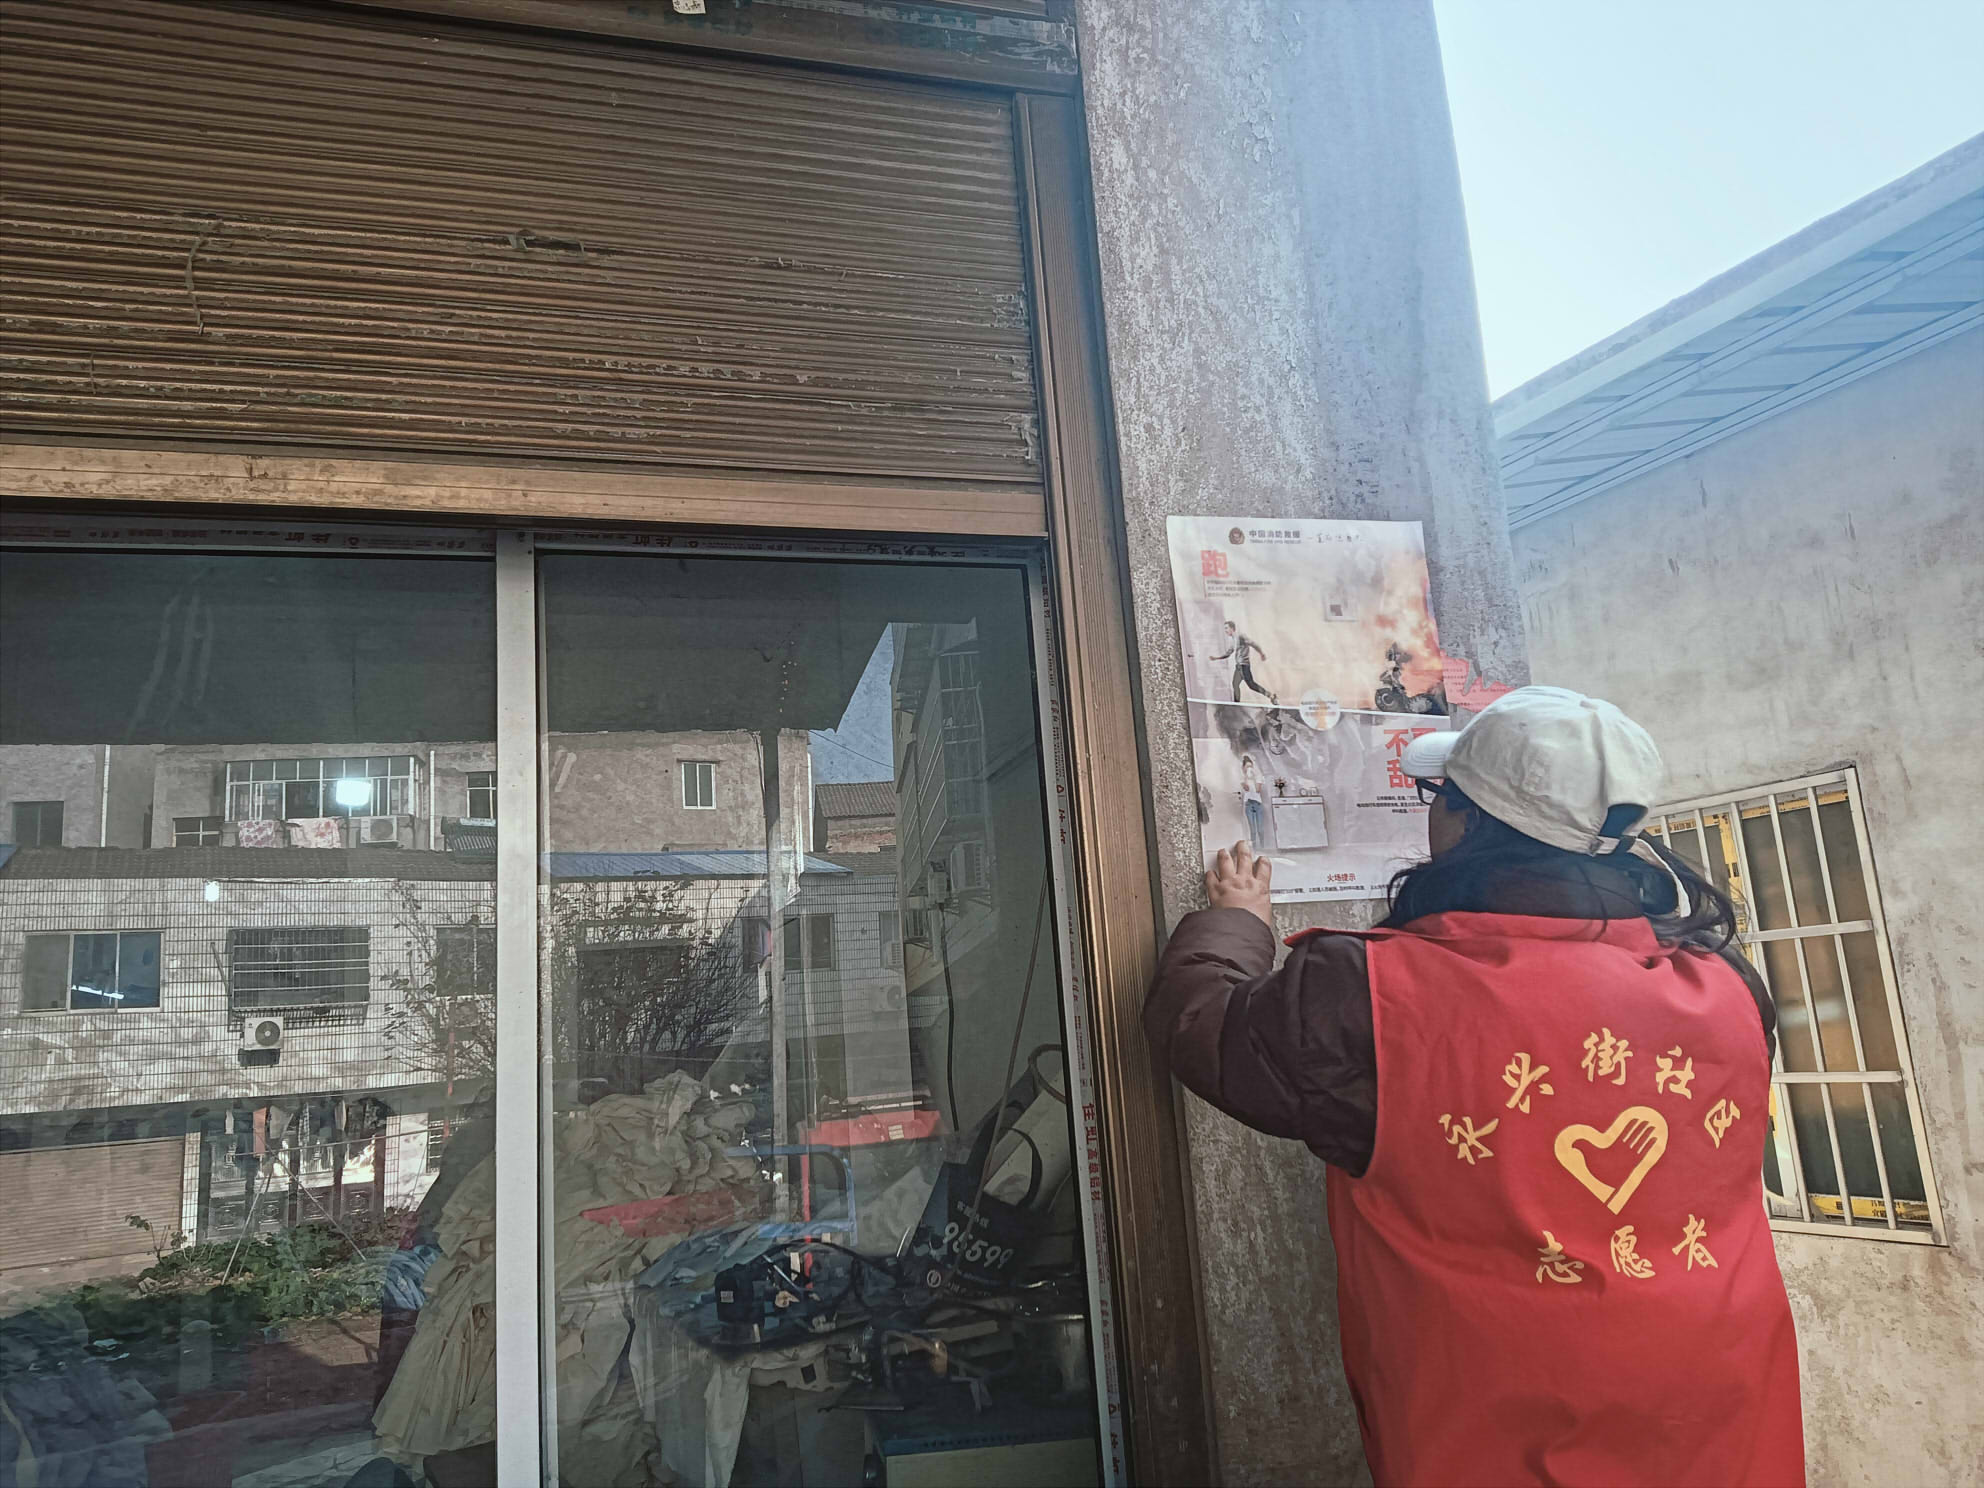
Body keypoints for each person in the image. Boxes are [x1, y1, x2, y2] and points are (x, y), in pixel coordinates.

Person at [1145, 686, 1804, 1487]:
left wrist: (1239, 923)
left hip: (1496, 1445)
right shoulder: (1727, 983)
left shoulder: (1367, 993)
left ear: (1464, 822)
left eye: (1440, 794)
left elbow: (1202, 1028)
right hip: (1723, 1421)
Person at [1212, 620, 1275, 704]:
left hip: (1243, 665)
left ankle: (1270, 695)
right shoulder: (1233, 640)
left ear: (1232, 628)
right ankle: (1236, 703)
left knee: (1251, 685)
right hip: (1239, 666)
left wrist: (1261, 653)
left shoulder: (1240, 636)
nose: (1225, 630)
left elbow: (1253, 644)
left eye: (1226, 628)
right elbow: (1229, 653)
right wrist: (1217, 658)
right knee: (1235, 684)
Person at [1238, 755, 1267, 849]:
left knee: (1260, 828)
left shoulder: (1258, 777)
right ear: (1243, 768)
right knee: (1252, 829)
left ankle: (1262, 847)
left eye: (1251, 766)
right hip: (1248, 804)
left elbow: (1258, 790)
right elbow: (1246, 788)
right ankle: (1254, 848)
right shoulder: (1242, 778)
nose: (1249, 768)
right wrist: (1246, 777)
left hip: (1258, 803)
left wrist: (1254, 778)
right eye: (1247, 767)